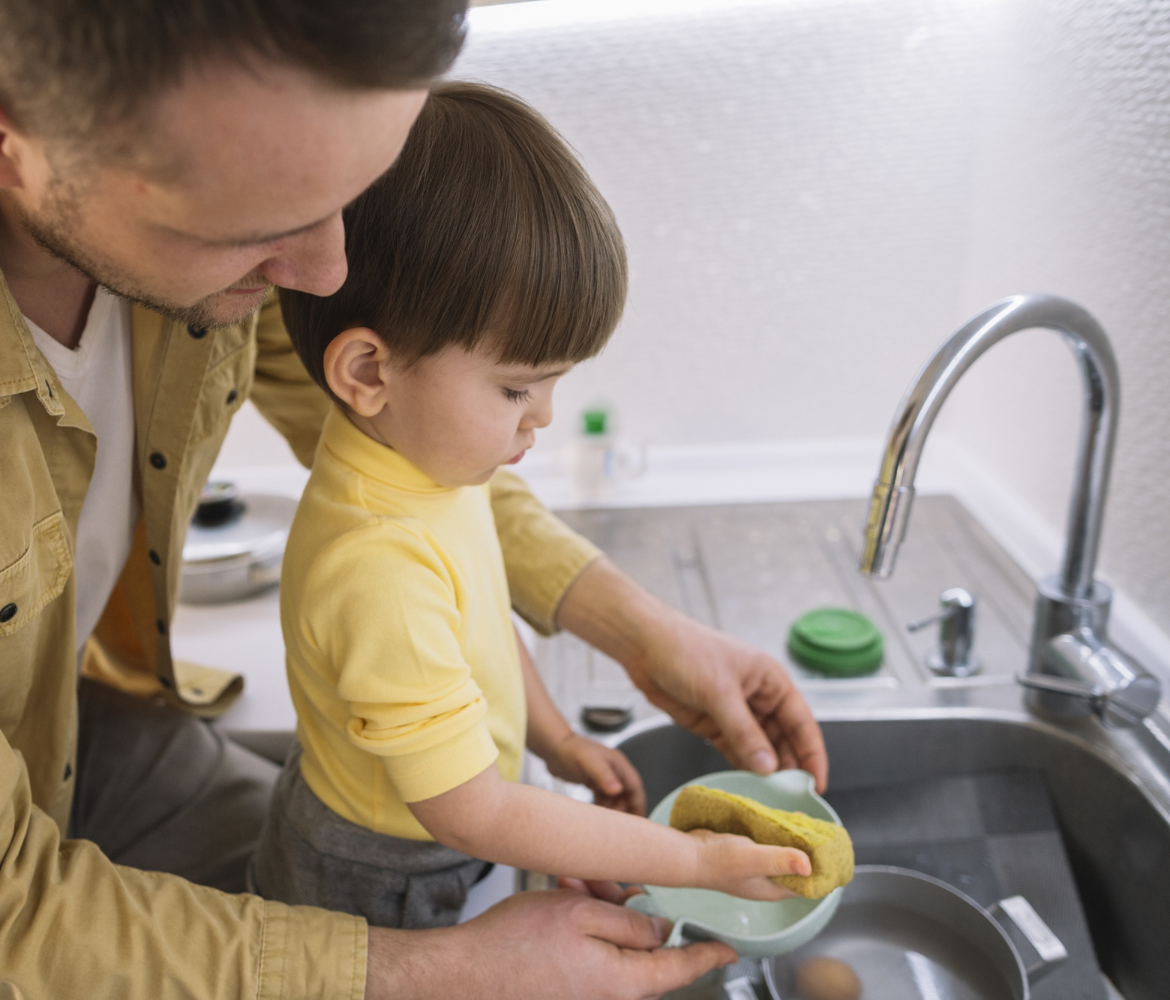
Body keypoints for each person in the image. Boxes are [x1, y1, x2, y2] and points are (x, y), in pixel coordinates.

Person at [0, 1, 828, 998]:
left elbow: (394, 438)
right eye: (261, 231)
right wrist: (444, 972)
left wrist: (630, 624)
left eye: (353, 191)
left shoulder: (210, 162)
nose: (325, 277)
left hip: (85, 733)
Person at [252, 83, 812, 929]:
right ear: (369, 372)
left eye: (553, 384)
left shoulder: (424, 467)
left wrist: (552, 740)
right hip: (381, 879)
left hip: (446, 814)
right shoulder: (376, 567)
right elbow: (474, 813)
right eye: (517, 386)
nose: (543, 415)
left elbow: (480, 631)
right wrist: (694, 862)